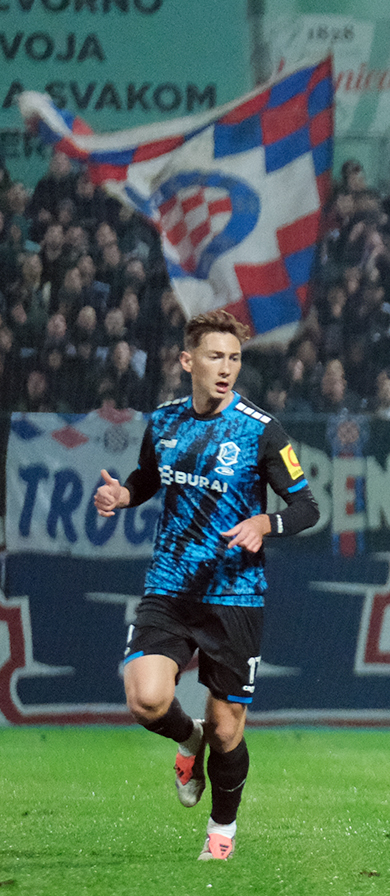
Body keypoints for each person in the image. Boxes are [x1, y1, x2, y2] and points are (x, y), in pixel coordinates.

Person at [93, 309, 320, 861]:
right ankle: (184, 738)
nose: (226, 369)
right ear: (186, 361)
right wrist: (123, 495)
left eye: (235, 358)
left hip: (234, 596)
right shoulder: (165, 422)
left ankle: (222, 834)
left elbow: (308, 507)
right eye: (216, 357)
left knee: (226, 730)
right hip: (169, 588)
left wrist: (267, 523)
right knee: (147, 699)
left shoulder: (261, 430)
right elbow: (148, 478)